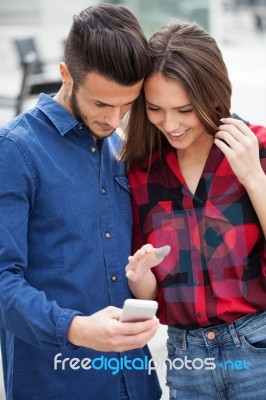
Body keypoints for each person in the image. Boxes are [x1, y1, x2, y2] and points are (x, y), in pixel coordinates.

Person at [0, 4, 162, 400]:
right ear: (66, 75)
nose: (114, 119)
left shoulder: (118, 149)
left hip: (134, 381)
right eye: (101, 104)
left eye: (127, 105)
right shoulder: (15, 152)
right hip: (58, 384)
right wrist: (75, 328)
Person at [121, 20, 266, 399]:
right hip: (187, 361)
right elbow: (149, 295)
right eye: (155, 108)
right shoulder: (141, 172)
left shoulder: (258, 148)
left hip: (258, 350)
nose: (170, 124)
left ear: (213, 95)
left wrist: (253, 177)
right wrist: (140, 276)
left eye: (184, 109)